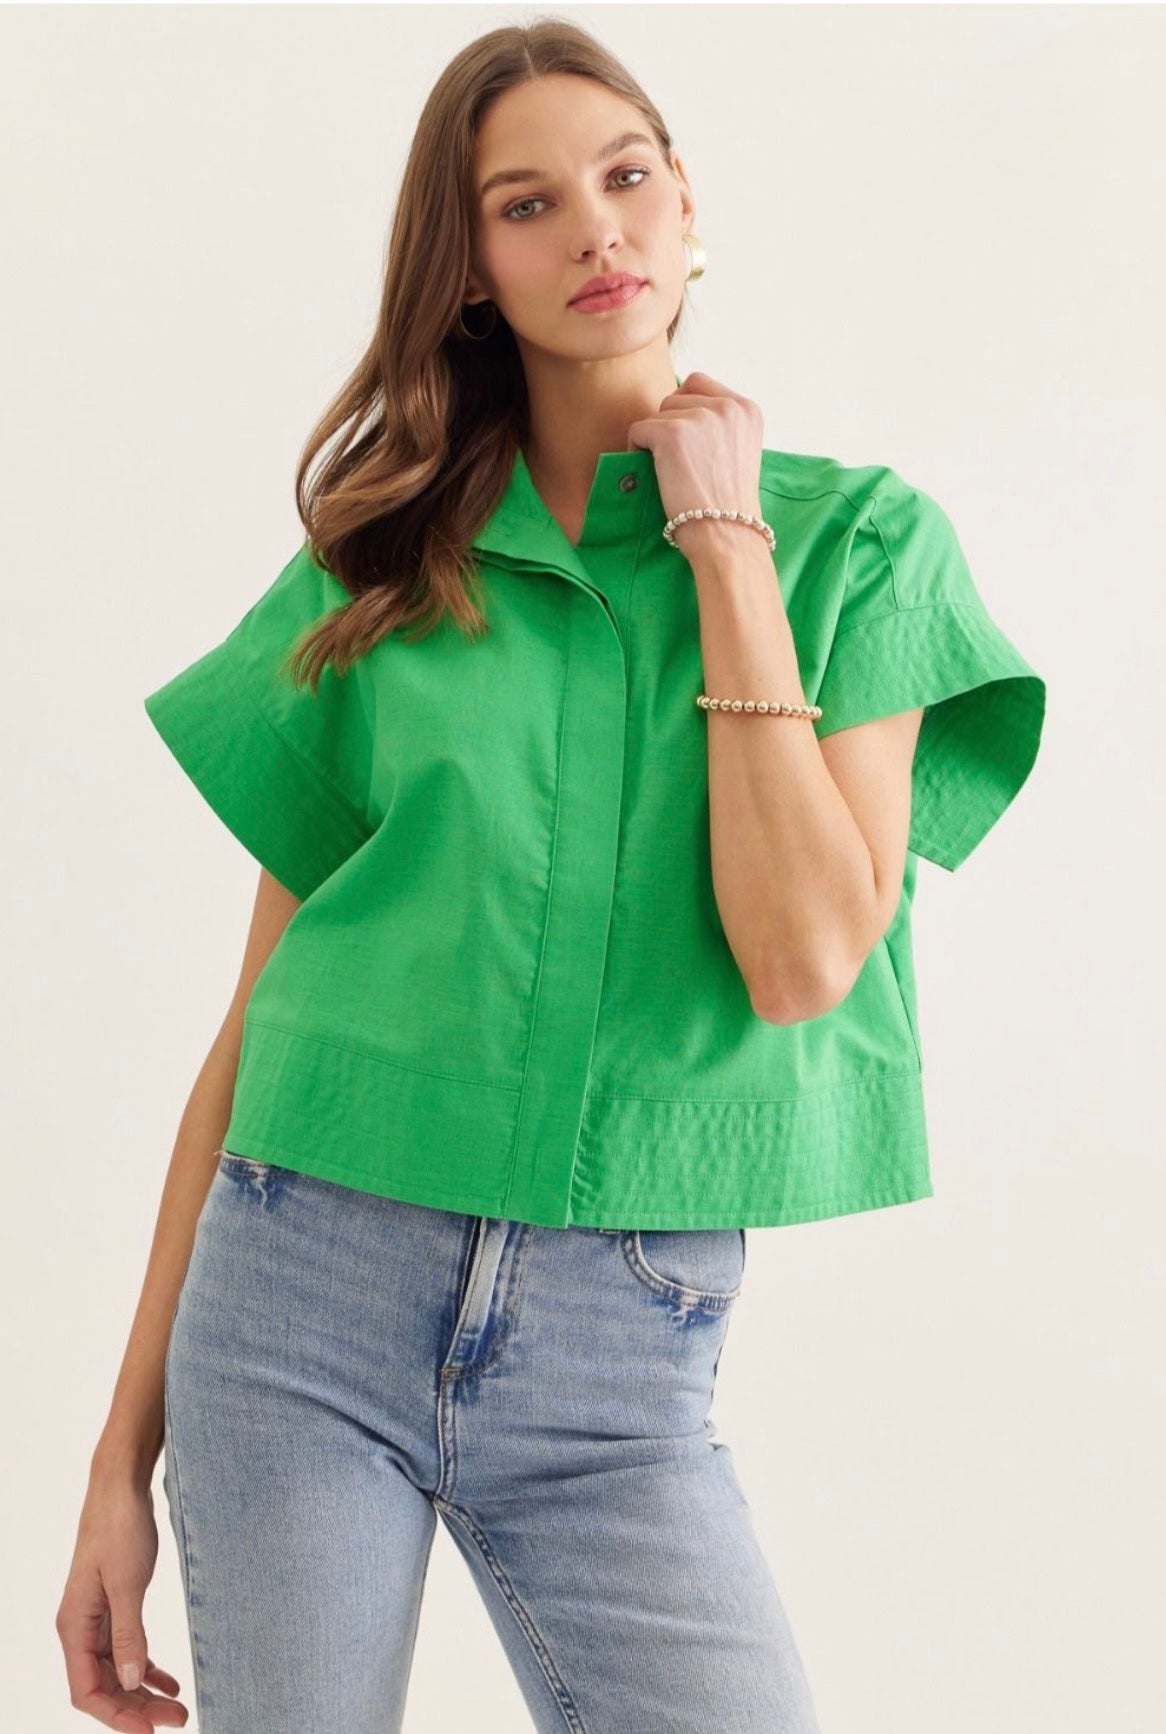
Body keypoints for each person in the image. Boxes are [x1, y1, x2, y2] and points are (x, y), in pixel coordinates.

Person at [56, 20, 1046, 1734]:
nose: (594, 228)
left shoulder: (860, 544)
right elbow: (252, 1019)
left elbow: (806, 958)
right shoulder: (381, 563)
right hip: (300, 1294)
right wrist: (112, 1461)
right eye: (525, 204)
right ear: (470, 270)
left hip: (619, 1356)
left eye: (624, 175)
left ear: (687, 205)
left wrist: (723, 541)